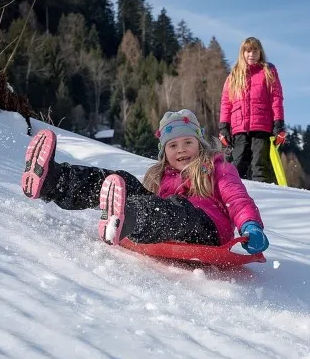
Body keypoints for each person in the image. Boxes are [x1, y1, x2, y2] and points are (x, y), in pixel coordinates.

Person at [20, 109, 270, 255]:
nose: (181, 150)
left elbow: (237, 198)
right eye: (173, 145)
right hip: (168, 218)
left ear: (200, 144)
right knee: (122, 180)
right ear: (164, 151)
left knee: (172, 210)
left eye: (188, 143)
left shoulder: (216, 166)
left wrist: (250, 226)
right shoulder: (161, 175)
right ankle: (54, 180)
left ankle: (125, 218)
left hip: (207, 227)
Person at [218, 37, 286, 184]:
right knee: (238, 164)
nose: (251, 54)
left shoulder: (268, 71)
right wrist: (223, 128)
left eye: (255, 50)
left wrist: (279, 124)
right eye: (248, 51)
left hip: (262, 127)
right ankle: (235, 197)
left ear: (260, 52)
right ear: (242, 53)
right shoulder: (234, 75)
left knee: (259, 165)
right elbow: (226, 103)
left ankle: (263, 197)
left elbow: (276, 98)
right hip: (239, 129)